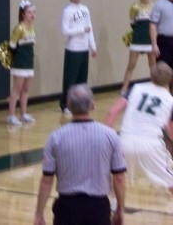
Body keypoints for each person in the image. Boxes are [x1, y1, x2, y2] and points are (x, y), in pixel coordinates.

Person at [105, 62, 173, 225]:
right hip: (151, 143)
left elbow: (111, 113)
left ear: (151, 74)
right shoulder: (170, 101)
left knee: (115, 177)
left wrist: (105, 138)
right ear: (170, 80)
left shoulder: (135, 88)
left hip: (125, 140)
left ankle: (111, 209)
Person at [34, 84, 126, 225]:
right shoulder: (110, 136)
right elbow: (118, 178)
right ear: (92, 105)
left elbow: (47, 180)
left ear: (69, 106)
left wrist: (39, 214)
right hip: (98, 207)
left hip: (67, 207)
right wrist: (120, 209)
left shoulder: (55, 137)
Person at [60, 0, 96, 116]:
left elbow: (89, 28)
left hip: (84, 48)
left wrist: (93, 45)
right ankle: (65, 104)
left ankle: (81, 103)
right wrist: (81, 30)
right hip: (73, 49)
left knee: (82, 78)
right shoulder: (67, 11)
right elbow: (65, 30)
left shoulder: (85, 9)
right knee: (70, 79)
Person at [121, 0, 156, 95]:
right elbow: (132, 23)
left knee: (153, 65)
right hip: (137, 38)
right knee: (131, 65)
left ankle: (155, 87)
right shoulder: (135, 7)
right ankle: (124, 89)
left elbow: (156, 25)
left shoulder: (155, 7)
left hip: (150, 40)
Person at [7, 0, 37, 126]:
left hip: (29, 62)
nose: (32, 15)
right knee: (17, 89)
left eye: (33, 12)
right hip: (19, 63)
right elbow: (11, 46)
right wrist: (13, 62)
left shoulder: (31, 27)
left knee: (26, 89)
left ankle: (23, 113)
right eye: (29, 12)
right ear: (23, 14)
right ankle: (11, 115)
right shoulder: (19, 28)